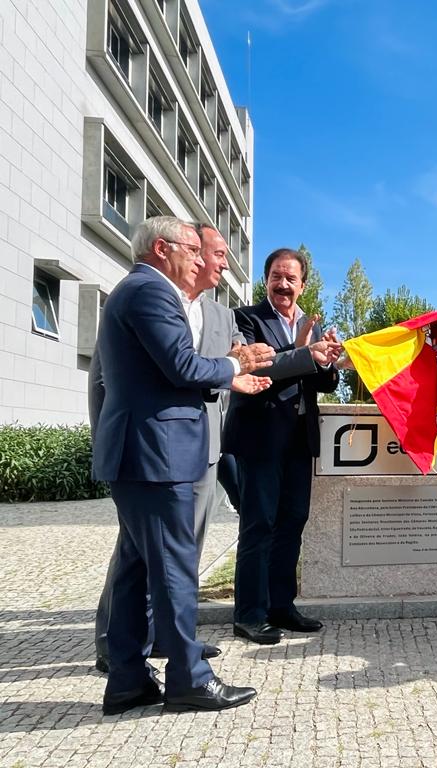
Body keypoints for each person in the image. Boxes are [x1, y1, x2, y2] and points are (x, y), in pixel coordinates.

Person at [92, 216, 272, 714]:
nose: (199, 258)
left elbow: (168, 370)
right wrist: (236, 365)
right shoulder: (151, 292)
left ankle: (128, 678)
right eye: (192, 249)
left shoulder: (138, 290)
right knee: (174, 568)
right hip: (156, 453)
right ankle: (190, 679)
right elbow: (183, 366)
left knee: (135, 567)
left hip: (143, 452)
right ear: (160, 248)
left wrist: (226, 365)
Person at [223, 248, 342, 645]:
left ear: (302, 285)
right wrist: (305, 353)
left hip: (299, 439)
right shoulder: (245, 318)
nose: (283, 284)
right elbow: (256, 365)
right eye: (276, 276)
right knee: (259, 525)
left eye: (291, 278)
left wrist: (326, 361)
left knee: (293, 522)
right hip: (259, 437)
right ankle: (249, 614)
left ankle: (281, 607)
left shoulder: (310, 321)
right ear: (266, 280)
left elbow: (322, 385)